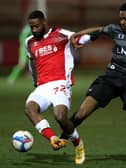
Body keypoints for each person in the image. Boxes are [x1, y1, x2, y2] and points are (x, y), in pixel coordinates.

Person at [61, 2, 126, 168]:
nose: (122, 22)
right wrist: (78, 35)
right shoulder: (115, 30)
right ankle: (63, 138)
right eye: (121, 18)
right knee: (82, 113)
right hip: (111, 78)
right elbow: (99, 31)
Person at [25, 10, 86, 164]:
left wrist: (84, 39)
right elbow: (32, 61)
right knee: (30, 108)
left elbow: (80, 38)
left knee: (60, 116)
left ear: (44, 22)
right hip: (43, 85)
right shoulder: (29, 42)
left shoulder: (62, 34)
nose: (34, 30)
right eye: (31, 27)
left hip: (61, 83)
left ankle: (78, 144)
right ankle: (53, 138)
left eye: (37, 26)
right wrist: (35, 80)